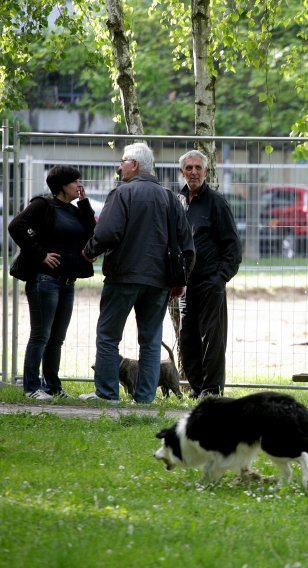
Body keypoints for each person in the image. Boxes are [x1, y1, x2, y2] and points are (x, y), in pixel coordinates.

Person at [80, 142, 194, 404]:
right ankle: (144, 398)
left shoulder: (122, 194)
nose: (119, 167)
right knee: (151, 340)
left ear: (134, 164)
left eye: (122, 161)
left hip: (124, 277)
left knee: (108, 336)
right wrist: (181, 279)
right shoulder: (170, 199)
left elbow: (107, 232)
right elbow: (187, 245)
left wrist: (88, 251)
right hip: (160, 281)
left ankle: (107, 394)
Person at [8, 166, 96, 400]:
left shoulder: (76, 210)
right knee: (41, 335)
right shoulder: (44, 205)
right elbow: (16, 226)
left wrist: (85, 204)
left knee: (57, 338)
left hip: (67, 281)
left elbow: (92, 233)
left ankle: (52, 386)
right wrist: (41, 254)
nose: (79, 184)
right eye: (75, 181)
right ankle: (31, 387)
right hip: (44, 280)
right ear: (61, 185)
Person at [177, 150, 242, 399]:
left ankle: (211, 390)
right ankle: (196, 388)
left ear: (205, 171)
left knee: (211, 339)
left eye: (198, 168)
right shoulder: (178, 201)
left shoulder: (216, 203)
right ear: (182, 172)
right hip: (185, 285)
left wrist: (219, 278)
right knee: (187, 337)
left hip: (210, 282)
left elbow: (233, 248)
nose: (193, 172)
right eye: (189, 168)